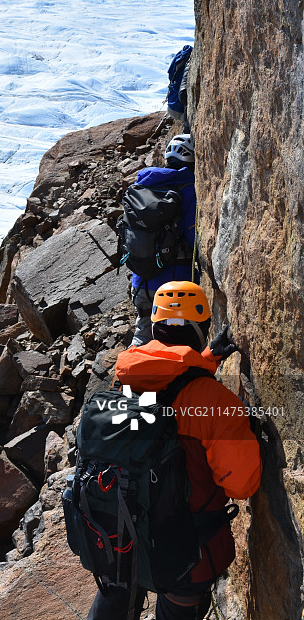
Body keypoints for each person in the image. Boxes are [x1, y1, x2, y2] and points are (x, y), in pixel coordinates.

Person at [87, 281, 262, 620]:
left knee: (117, 595)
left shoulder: (125, 380)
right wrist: (245, 433)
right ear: (202, 328)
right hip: (187, 553)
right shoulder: (216, 403)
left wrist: (206, 360)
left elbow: (164, 387)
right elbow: (242, 485)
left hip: (121, 536)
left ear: (155, 327)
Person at [129, 134, 197, 347]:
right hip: (174, 284)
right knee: (174, 346)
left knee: (142, 336)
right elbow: (193, 236)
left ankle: (129, 369)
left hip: (141, 281)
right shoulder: (187, 188)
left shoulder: (141, 186)